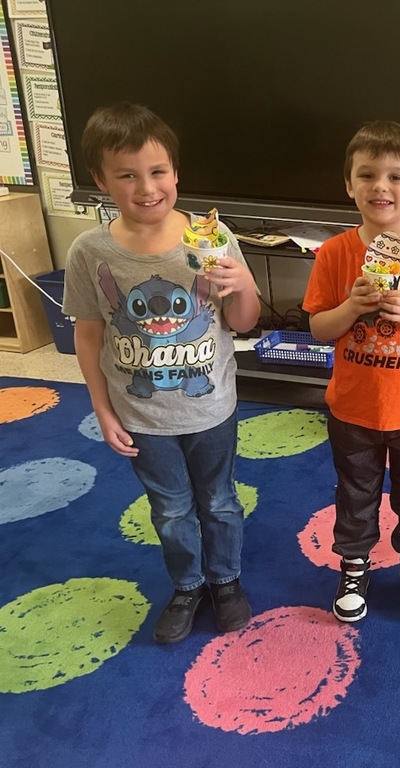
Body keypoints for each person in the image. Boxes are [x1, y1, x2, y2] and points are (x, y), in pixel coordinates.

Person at [62, 103, 262, 644]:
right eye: (127, 175)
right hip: (141, 413)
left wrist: (241, 280)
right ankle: (187, 584)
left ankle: (225, 579)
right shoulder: (89, 251)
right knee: (170, 509)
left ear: (176, 172)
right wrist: (102, 410)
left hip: (210, 405)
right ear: (100, 180)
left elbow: (245, 322)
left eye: (157, 172)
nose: (147, 188)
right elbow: (87, 333)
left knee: (219, 499)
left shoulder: (210, 239)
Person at [303, 121, 400, 622]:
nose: (381, 187)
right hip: (354, 408)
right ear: (349, 185)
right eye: (367, 175)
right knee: (355, 492)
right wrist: (351, 307)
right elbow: (319, 329)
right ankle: (355, 562)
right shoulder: (333, 253)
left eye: (396, 177)